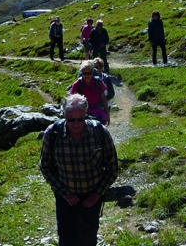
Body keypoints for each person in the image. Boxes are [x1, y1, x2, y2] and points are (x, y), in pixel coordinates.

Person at [39, 94, 118, 246]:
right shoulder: (52, 133)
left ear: (85, 115)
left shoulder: (99, 132)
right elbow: (45, 167)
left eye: (80, 119)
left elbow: (112, 168)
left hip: (92, 198)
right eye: (71, 119)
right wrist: (65, 193)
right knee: (67, 237)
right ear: (64, 116)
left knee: (89, 236)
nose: (76, 124)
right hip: (65, 199)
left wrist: (96, 194)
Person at [69, 60, 110, 126]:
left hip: (98, 112)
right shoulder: (77, 84)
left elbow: (104, 99)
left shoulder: (98, 82)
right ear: (81, 72)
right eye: (85, 73)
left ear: (93, 72)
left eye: (89, 73)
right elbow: (71, 101)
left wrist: (108, 115)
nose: (87, 75)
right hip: (83, 112)